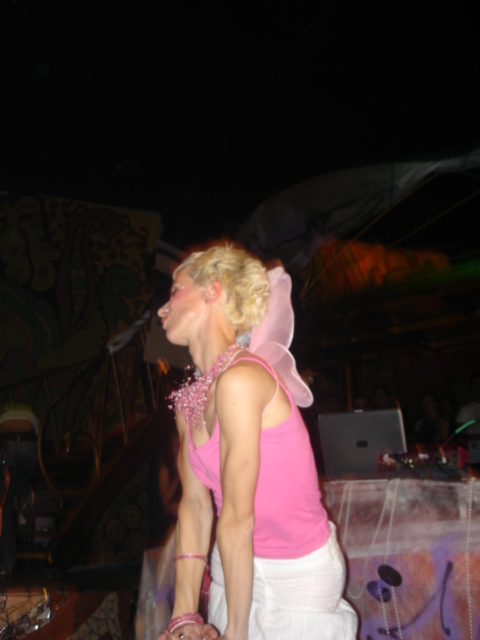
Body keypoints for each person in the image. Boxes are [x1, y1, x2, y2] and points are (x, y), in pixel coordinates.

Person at [157, 244, 357, 640]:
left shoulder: (243, 378)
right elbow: (195, 507)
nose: (162, 309)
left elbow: (237, 515)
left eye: (175, 291)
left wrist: (236, 632)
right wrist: (184, 615)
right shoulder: (188, 403)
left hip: (296, 571)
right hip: (232, 564)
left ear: (213, 291)